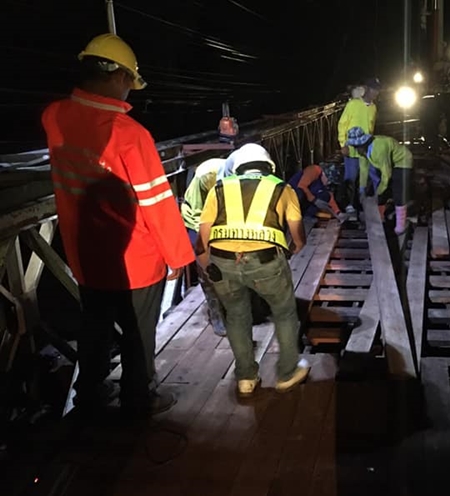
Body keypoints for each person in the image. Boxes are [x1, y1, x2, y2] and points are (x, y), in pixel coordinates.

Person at [41, 33, 194, 416]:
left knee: (94, 326)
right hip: (135, 261)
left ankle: (90, 394)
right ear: (120, 76)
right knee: (138, 334)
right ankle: (138, 398)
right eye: (130, 82)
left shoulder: (54, 116)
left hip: (85, 255)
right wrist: (178, 256)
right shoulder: (130, 136)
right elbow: (156, 203)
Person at [196, 144, 310, 396]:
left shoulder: (219, 188)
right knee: (284, 312)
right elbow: (298, 237)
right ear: (269, 166)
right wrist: (290, 250)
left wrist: (208, 267)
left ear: (237, 167)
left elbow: (202, 240)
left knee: (236, 315)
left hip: (223, 262)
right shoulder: (282, 188)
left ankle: (246, 378)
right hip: (265, 261)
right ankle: (287, 373)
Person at [181, 157, 227, 335]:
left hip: (223, 218)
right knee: (206, 264)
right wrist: (206, 237)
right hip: (197, 218)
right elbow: (197, 213)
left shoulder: (242, 176)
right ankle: (216, 312)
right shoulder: (205, 175)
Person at [345, 126, 413, 234]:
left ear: (364, 143)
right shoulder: (362, 151)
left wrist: (378, 193)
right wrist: (362, 190)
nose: (356, 150)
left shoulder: (380, 148)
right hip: (390, 162)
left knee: (398, 189)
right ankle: (380, 219)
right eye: (354, 146)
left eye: (357, 146)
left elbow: (386, 174)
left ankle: (401, 224)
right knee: (382, 191)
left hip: (402, 160)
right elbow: (364, 171)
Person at [337, 78, 380, 211]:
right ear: (366, 89)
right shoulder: (353, 104)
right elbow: (342, 124)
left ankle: (373, 201)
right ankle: (349, 204)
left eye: (377, 90)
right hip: (351, 148)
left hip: (365, 148)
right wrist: (343, 144)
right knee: (351, 176)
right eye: (373, 89)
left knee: (372, 174)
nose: (376, 93)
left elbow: (371, 128)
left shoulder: (373, 108)